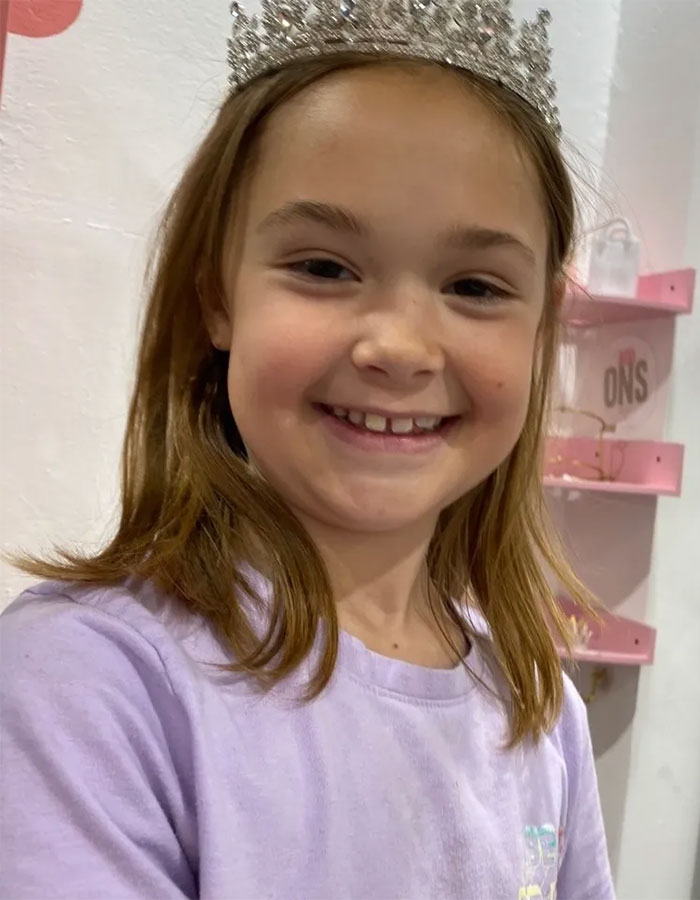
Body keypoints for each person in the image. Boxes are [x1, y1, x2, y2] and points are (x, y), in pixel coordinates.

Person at [0, 1, 616, 897]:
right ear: (218, 295)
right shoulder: (92, 686)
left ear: (540, 332)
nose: (400, 347)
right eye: (324, 267)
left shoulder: (537, 705)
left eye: (476, 286)